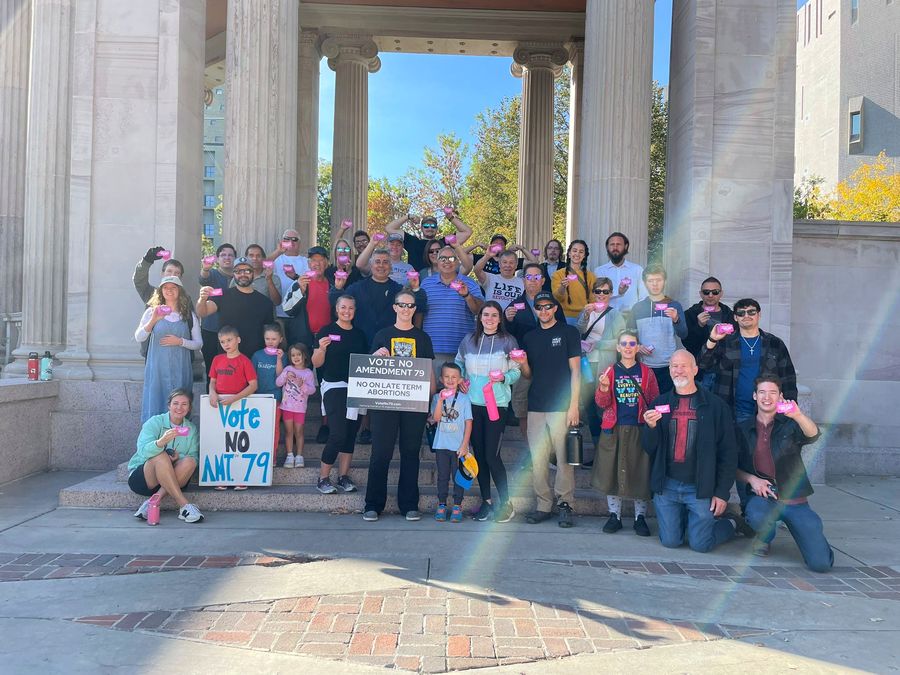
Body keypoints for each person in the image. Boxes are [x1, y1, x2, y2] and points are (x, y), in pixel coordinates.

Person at [641, 350, 747, 552]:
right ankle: (691, 524)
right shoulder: (660, 403)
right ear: (669, 370)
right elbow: (648, 448)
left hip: (699, 488)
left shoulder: (716, 406)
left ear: (695, 370)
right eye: (674, 366)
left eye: (684, 366)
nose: (679, 370)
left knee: (701, 545)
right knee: (671, 542)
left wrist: (722, 493)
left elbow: (728, 453)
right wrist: (651, 428)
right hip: (668, 486)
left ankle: (730, 524)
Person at [735, 376, 833, 571]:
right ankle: (764, 537)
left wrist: (798, 415)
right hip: (764, 497)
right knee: (756, 514)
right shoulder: (743, 428)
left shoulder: (789, 424)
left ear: (780, 397)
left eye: (772, 393)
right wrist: (752, 479)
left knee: (821, 564)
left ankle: (810, 532)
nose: (767, 397)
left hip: (794, 500)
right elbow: (731, 467)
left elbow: (813, 435)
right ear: (755, 396)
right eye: (762, 392)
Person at [363, 290, 436, 522]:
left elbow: (430, 375)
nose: (406, 309)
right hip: (384, 404)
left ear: (415, 310)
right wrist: (375, 358)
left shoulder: (423, 338)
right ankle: (373, 504)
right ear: (394, 307)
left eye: (410, 306)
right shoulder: (382, 335)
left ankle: (409, 505)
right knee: (380, 453)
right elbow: (370, 372)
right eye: (402, 305)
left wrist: (431, 402)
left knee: (411, 453)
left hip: (414, 404)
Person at [455, 301, 523, 524]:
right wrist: (461, 381)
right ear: (480, 317)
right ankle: (487, 502)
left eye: (494, 315)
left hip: (497, 405)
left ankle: (507, 504)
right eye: (486, 315)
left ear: (500, 318)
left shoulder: (508, 341)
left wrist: (504, 378)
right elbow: (459, 364)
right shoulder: (469, 340)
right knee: (481, 456)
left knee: (492, 456)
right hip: (473, 405)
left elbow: (516, 371)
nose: (490, 319)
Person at [521, 291, 581, 528]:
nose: (544, 311)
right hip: (536, 405)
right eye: (539, 307)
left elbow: (576, 371)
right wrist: (522, 364)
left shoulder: (568, 332)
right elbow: (528, 375)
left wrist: (574, 405)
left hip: (561, 406)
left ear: (555, 308)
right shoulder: (530, 337)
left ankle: (565, 504)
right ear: (535, 309)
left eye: (548, 306)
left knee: (564, 458)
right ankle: (544, 505)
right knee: (538, 459)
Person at [592, 329, 659, 536]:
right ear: (618, 347)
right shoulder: (610, 371)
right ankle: (615, 515)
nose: (628, 348)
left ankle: (640, 517)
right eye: (624, 344)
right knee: (612, 471)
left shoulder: (647, 372)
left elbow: (654, 399)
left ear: (637, 347)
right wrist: (603, 389)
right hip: (614, 427)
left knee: (640, 471)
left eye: (632, 344)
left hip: (639, 427)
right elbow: (601, 404)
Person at [699, 298, 797, 421]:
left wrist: (790, 412)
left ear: (759, 314)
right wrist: (712, 339)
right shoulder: (725, 342)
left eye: (751, 312)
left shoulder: (774, 343)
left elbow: (788, 378)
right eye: (741, 313)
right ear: (735, 317)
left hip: (768, 411)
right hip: (732, 411)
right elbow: (703, 364)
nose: (746, 316)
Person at [311, 294, 368, 494]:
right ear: (336, 309)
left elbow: (365, 361)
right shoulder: (326, 332)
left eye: (351, 308)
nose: (347, 311)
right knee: (337, 433)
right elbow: (316, 363)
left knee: (351, 434)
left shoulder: (360, 335)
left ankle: (343, 476)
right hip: (334, 385)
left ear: (355, 311)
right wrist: (321, 349)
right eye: (343, 307)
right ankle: (323, 478)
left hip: (357, 388)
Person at [506, 262, 566, 437]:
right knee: (523, 408)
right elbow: (509, 336)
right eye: (529, 277)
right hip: (524, 365)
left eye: (536, 277)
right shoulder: (515, 304)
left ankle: (550, 456)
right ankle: (530, 454)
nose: (532, 281)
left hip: (549, 365)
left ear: (543, 281)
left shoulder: (553, 304)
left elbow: (562, 330)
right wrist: (507, 320)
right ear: (523, 280)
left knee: (550, 410)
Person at [129, 389, 204, 524]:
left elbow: (194, 457)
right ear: (169, 405)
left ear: (189, 408)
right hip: (145, 478)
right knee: (160, 455)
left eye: (184, 404)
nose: (179, 408)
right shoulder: (154, 422)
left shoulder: (191, 429)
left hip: (174, 476)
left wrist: (177, 457)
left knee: (190, 461)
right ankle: (184, 505)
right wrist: (161, 442)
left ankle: (154, 500)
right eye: (175, 403)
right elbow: (142, 451)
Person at [134, 276, 201, 423]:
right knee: (156, 405)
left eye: (173, 287)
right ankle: (157, 443)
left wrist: (180, 342)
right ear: (161, 291)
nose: (169, 290)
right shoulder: (151, 312)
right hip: (157, 370)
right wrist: (154, 320)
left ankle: (180, 442)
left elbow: (198, 343)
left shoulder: (189, 315)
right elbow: (139, 337)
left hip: (181, 370)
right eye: (165, 287)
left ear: (180, 291)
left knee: (180, 406)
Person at [330, 247, 428, 347]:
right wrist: (338, 288)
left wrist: (416, 288)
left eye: (385, 262)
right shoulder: (357, 288)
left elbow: (419, 307)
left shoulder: (399, 290)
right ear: (371, 266)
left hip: (390, 345)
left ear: (390, 267)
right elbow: (336, 304)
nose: (381, 265)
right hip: (360, 344)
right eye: (377, 261)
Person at [576, 277, 626, 451]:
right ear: (593, 292)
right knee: (589, 407)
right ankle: (598, 449)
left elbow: (621, 343)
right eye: (598, 291)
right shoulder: (586, 311)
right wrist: (586, 315)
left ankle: (607, 450)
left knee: (603, 407)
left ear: (611, 293)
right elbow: (578, 332)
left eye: (605, 291)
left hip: (605, 365)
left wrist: (596, 345)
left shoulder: (616, 314)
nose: (601, 295)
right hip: (585, 364)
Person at [420, 245, 484, 378]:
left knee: (459, 395)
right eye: (442, 258)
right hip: (432, 350)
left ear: (458, 262)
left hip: (461, 351)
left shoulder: (470, 283)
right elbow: (419, 313)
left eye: (451, 258)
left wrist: (467, 295)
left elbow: (480, 310)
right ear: (437, 262)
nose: (447, 261)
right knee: (431, 395)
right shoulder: (426, 284)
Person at [197, 256, 275, 358]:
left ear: (253, 273)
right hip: (227, 358)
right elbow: (202, 312)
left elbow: (270, 333)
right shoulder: (222, 294)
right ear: (233, 274)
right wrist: (202, 299)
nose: (242, 274)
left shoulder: (265, 302)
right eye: (238, 271)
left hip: (255, 359)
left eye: (247, 271)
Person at [628, 264, 687, 394]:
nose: (655, 284)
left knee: (666, 406)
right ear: (644, 283)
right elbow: (629, 335)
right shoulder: (637, 308)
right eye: (650, 281)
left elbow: (684, 334)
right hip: (644, 366)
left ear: (665, 281)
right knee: (646, 404)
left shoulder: (674, 305)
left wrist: (676, 319)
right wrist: (637, 346)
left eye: (658, 280)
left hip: (669, 366)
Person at [429, 362, 473, 524]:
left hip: (458, 447)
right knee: (442, 476)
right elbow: (436, 418)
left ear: (460, 380)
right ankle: (441, 504)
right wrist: (440, 400)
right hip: (441, 445)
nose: (450, 379)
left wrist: (464, 445)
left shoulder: (464, 399)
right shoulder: (436, 398)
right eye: (446, 376)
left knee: (458, 476)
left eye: (454, 377)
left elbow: (469, 422)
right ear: (441, 379)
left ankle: (457, 505)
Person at [385, 210, 473, 271]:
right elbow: (389, 228)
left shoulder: (443, 243)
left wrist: (451, 218)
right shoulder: (413, 242)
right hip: (416, 288)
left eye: (433, 226)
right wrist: (408, 217)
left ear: (437, 228)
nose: (430, 228)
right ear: (421, 228)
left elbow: (467, 232)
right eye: (426, 226)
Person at [282, 246, 334, 349]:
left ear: (327, 263)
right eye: (314, 260)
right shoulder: (300, 282)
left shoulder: (332, 285)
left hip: (326, 338)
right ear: (309, 264)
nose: (317, 264)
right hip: (303, 340)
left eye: (321, 260)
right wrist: (301, 290)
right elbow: (287, 309)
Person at [276, 343, 316, 469]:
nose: (296, 357)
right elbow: (278, 383)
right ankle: (289, 455)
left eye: (299, 354)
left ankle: (299, 456)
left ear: (304, 356)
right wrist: (284, 376)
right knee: (288, 432)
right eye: (293, 355)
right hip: (287, 407)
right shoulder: (288, 369)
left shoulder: (308, 373)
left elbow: (312, 390)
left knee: (299, 432)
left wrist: (302, 385)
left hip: (300, 409)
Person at [198, 243, 236, 378]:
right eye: (223, 255)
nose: (227, 258)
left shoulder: (239, 277)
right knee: (212, 370)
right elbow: (203, 278)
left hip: (232, 331)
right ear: (218, 258)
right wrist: (205, 269)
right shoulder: (212, 274)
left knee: (231, 370)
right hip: (211, 330)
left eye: (230, 255)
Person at [251, 324, 287, 457]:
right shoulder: (257, 355)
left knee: (274, 427)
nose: (270, 342)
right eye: (267, 339)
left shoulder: (283, 356)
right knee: (258, 428)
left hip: (275, 397)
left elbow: (280, 376)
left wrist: (278, 359)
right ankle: (257, 454)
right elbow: (251, 377)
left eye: (274, 339)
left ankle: (273, 456)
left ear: (280, 339)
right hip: (258, 397)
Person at [592, 232, 648, 312]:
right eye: (612, 244)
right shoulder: (599, 271)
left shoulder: (637, 270)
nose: (615, 247)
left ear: (625, 246)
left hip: (630, 318)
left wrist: (635, 313)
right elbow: (598, 296)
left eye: (618, 244)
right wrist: (618, 292)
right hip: (606, 317)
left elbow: (644, 296)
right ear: (607, 247)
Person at [683, 277, 734, 360]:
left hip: (723, 366)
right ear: (700, 294)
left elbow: (735, 342)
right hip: (699, 365)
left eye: (715, 292)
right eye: (706, 292)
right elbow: (687, 344)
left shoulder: (730, 315)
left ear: (721, 293)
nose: (710, 295)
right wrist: (699, 326)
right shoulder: (690, 314)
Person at [268, 228, 310, 321]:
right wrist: (278, 251)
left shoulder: (306, 261)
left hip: (298, 314)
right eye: (287, 239)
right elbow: (260, 265)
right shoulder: (276, 258)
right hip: (278, 313)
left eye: (294, 239)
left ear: (299, 243)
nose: (291, 241)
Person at [551, 240, 595, 324]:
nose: (577, 254)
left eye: (581, 252)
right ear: (569, 253)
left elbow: (593, 299)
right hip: (564, 317)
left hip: (585, 317)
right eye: (574, 251)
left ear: (584, 255)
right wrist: (562, 287)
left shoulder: (591, 276)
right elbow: (557, 298)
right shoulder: (558, 274)